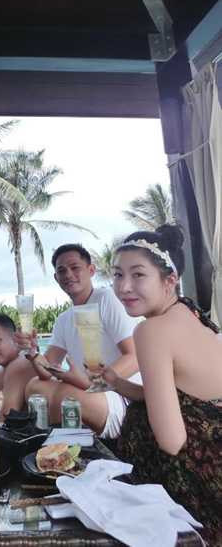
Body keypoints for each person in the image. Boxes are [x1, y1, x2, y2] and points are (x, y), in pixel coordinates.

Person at [105, 224, 222, 540]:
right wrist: (117, 383)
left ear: (169, 280)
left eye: (138, 275)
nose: (124, 287)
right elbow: (184, 398)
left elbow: (172, 441)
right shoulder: (192, 313)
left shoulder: (151, 331)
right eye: (117, 275)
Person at [20, 244, 140, 438]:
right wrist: (32, 353)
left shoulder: (107, 299)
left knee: (66, 395)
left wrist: (93, 383)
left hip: (119, 395)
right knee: (35, 386)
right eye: (62, 271)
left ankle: (66, 440)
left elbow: (134, 356)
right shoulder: (64, 319)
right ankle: (60, 442)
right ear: (56, 278)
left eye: (75, 267)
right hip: (86, 390)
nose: (68, 274)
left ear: (91, 270)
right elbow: (46, 370)